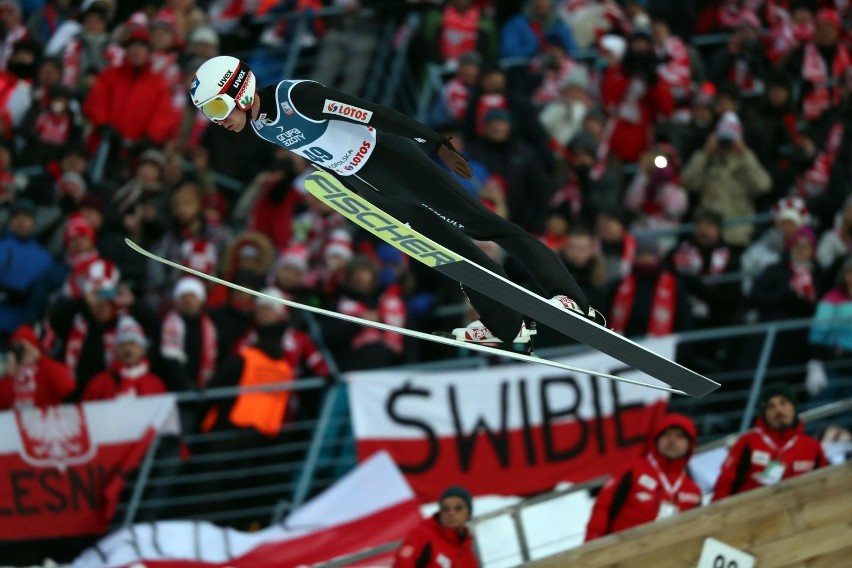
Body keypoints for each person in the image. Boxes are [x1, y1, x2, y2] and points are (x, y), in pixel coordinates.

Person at [188, 55, 599, 346]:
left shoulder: (296, 99)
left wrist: (433, 141)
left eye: (220, 106)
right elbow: (323, 155)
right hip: (371, 184)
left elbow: (368, 112)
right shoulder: (261, 128)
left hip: (393, 159)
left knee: (482, 224)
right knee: (446, 252)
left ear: (241, 91)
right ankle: (506, 325)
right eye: (210, 113)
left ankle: (575, 302)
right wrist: (348, 194)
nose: (218, 119)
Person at [585, 413, 702, 541]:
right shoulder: (631, 469)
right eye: (667, 434)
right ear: (656, 439)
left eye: (680, 436)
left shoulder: (693, 490)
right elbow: (603, 508)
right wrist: (591, 545)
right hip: (619, 551)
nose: (672, 440)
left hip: (667, 556)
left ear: (690, 444)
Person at [712, 382, 829, 501]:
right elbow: (724, 485)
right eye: (770, 406)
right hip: (752, 513)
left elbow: (825, 484)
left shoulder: (813, 447)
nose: (778, 410)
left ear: (794, 407)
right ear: (764, 414)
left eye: (783, 403)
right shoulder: (748, 442)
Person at [81, 315, 168, 401]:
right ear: (115, 350)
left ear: (142, 349)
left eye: (132, 343)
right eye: (122, 344)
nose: (128, 349)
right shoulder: (100, 382)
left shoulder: (155, 383)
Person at [393, 485, 478, 568]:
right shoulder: (421, 535)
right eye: (445, 508)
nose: (451, 513)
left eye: (458, 508)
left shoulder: (469, 557)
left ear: (468, 514)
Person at [0, 324, 74, 410]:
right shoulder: (11, 373)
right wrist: (9, 375)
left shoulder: (45, 368)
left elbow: (68, 387)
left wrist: (40, 359)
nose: (22, 352)